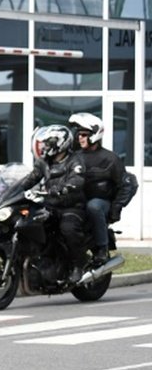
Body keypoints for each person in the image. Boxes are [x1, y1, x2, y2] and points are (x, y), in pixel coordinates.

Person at [20, 124, 88, 282]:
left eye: (49, 142)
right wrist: (16, 189)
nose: (45, 146)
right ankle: (41, 260)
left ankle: (79, 264)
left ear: (61, 143)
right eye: (45, 143)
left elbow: (77, 179)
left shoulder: (75, 160)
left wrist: (65, 188)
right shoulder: (44, 161)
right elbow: (33, 177)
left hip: (71, 206)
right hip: (50, 205)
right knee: (31, 224)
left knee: (68, 229)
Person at [67, 112, 136, 265]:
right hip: (78, 201)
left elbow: (127, 184)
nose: (80, 138)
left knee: (94, 206)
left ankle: (101, 249)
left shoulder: (110, 159)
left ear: (95, 135)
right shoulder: (74, 157)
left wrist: (116, 207)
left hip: (101, 202)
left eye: (84, 134)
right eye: (79, 134)